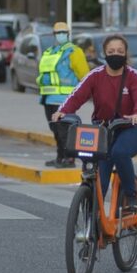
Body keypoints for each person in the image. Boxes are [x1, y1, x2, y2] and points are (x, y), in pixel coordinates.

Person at [52, 34, 137, 208]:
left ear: (126, 53)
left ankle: (131, 195)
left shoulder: (133, 76)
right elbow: (77, 95)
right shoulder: (95, 75)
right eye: (111, 51)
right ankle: (94, 220)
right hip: (102, 132)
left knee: (119, 152)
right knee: (98, 177)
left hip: (130, 129)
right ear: (104, 53)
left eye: (120, 51)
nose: (115, 54)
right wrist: (63, 112)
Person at [37, 22, 89, 168]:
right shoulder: (50, 52)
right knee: (55, 130)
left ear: (68, 34)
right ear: (53, 35)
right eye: (58, 33)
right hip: (48, 98)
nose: (61, 35)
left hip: (65, 100)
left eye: (63, 32)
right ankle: (60, 157)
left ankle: (69, 159)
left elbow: (84, 76)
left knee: (64, 130)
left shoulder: (74, 52)